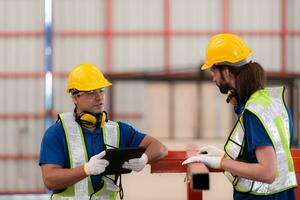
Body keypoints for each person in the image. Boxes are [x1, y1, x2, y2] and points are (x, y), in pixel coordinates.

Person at [182, 33, 297, 200]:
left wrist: (221, 163)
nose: (213, 78)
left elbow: (267, 172)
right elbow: (265, 156)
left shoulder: (253, 112)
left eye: (213, 71)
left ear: (226, 71)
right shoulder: (269, 102)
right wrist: (222, 156)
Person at [39, 63, 168, 200]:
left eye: (101, 91)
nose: (99, 97)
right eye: (91, 93)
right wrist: (86, 169)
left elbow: (160, 148)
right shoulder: (57, 133)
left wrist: (144, 158)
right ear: (75, 97)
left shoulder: (119, 131)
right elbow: (50, 180)